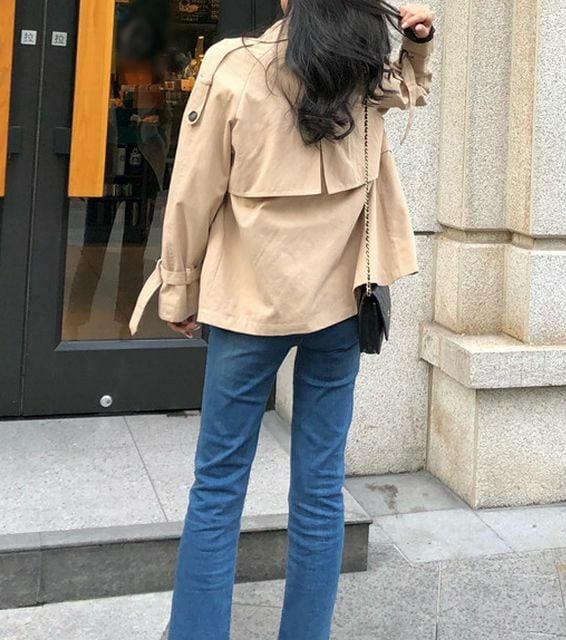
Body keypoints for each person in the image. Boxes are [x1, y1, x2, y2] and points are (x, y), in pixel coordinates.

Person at [129, 1, 436, 638]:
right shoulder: (362, 72)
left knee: (218, 485)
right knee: (320, 487)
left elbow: (193, 187)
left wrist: (179, 289)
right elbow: (410, 87)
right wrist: (417, 42)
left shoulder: (234, 64)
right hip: (340, 307)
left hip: (249, 304)